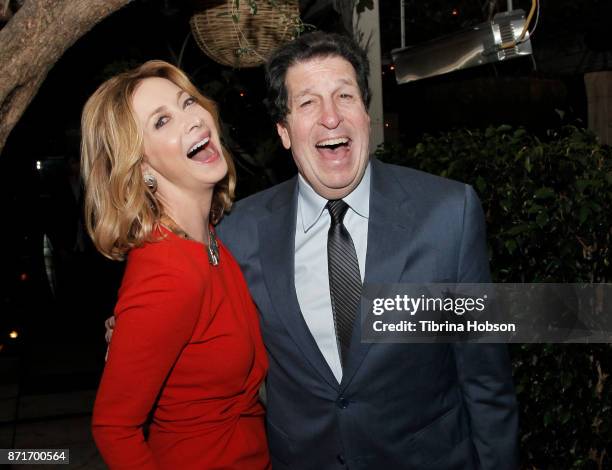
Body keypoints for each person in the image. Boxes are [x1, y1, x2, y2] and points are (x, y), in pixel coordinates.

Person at [216, 32, 519, 469]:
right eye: (307, 103)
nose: (331, 118)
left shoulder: (449, 214)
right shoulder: (238, 232)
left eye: (345, 96)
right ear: (284, 132)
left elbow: (486, 379)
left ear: (366, 113)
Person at [83, 60, 270, 469]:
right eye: (162, 120)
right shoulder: (168, 271)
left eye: (187, 103)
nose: (192, 119)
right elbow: (113, 428)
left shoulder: (208, 241)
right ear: (142, 167)